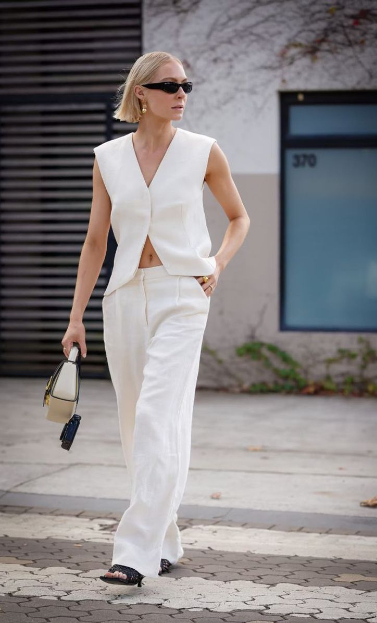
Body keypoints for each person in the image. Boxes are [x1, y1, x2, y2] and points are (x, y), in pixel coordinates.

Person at [60, 51, 251, 587]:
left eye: (186, 85)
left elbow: (239, 218)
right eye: (170, 85)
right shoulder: (108, 157)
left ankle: (134, 553)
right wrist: (75, 317)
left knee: (155, 417)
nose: (182, 94)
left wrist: (217, 262)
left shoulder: (203, 152)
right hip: (123, 296)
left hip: (183, 293)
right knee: (136, 425)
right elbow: (96, 240)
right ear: (141, 92)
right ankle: (164, 540)